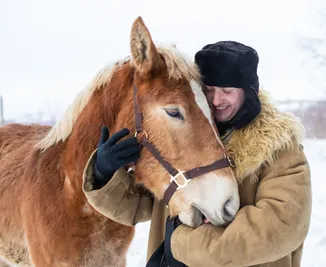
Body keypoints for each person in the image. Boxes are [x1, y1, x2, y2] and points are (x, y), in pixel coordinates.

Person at [82, 41, 312, 267]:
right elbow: (145, 206)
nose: (216, 100)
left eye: (227, 91)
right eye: (209, 90)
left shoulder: (280, 149)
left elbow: (281, 227)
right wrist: (104, 173)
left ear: (248, 92)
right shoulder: (190, 141)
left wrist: (182, 243)